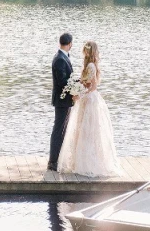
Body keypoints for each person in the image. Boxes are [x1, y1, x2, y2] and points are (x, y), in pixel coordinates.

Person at [58, 40, 122, 177]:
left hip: (90, 100)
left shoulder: (91, 66)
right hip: (86, 100)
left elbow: (92, 87)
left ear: (89, 51)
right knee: (82, 131)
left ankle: (89, 162)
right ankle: (81, 161)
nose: (84, 53)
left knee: (89, 131)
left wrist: (78, 95)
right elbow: (85, 84)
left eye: (85, 50)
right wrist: (77, 90)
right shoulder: (88, 65)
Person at [48, 32, 75, 171]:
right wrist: (77, 86)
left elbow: (66, 81)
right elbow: (62, 82)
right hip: (61, 100)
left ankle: (57, 159)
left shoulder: (63, 57)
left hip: (65, 100)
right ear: (70, 44)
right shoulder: (59, 59)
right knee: (58, 130)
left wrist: (76, 84)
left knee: (62, 130)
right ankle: (53, 162)